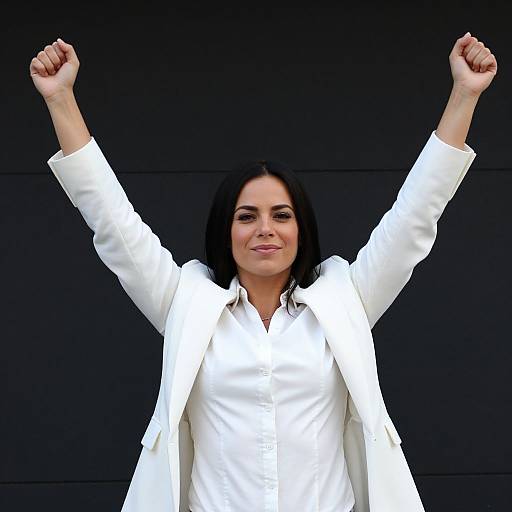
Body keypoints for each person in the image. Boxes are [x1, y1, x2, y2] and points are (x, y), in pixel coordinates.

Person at [30, 32, 497, 512]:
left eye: (281, 214)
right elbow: (113, 223)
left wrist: (464, 94)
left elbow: (416, 216)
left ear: (301, 228)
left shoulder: (345, 297)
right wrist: (61, 99)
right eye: (247, 216)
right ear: (226, 230)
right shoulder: (185, 302)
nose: (265, 230)